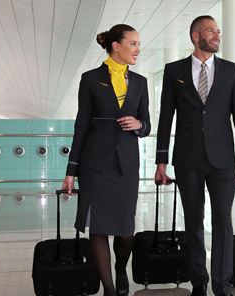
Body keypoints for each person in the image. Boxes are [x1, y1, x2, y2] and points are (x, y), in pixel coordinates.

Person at [154, 15, 235, 296]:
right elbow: (165, 117)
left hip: (223, 160)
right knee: (193, 222)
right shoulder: (174, 70)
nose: (217, 36)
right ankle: (199, 281)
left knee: (223, 222)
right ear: (195, 36)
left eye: (218, 32)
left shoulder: (231, 70)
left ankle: (223, 285)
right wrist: (161, 160)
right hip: (187, 158)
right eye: (211, 31)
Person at [62, 24, 150, 296]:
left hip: (126, 165)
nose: (137, 48)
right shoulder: (90, 79)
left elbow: (146, 125)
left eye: (138, 44)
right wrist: (71, 170)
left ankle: (121, 268)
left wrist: (138, 124)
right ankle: (109, 290)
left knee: (125, 232)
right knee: (98, 229)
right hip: (95, 164)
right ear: (116, 46)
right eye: (133, 43)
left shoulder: (140, 82)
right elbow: (81, 126)